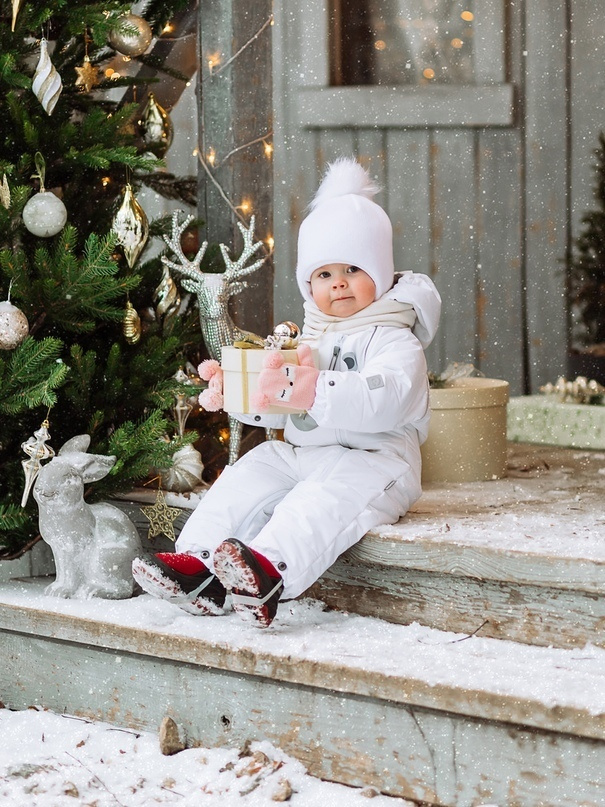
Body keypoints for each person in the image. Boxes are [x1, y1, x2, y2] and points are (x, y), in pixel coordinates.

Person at [132, 157, 442, 628]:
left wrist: (312, 390)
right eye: (323, 274)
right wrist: (239, 392)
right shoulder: (308, 338)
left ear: (379, 273)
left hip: (377, 460)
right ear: (308, 283)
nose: (338, 282)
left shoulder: (395, 337)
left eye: (353, 269)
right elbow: (281, 409)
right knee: (250, 471)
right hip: (307, 451)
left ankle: (268, 570)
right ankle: (199, 564)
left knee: (320, 498)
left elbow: (387, 398)